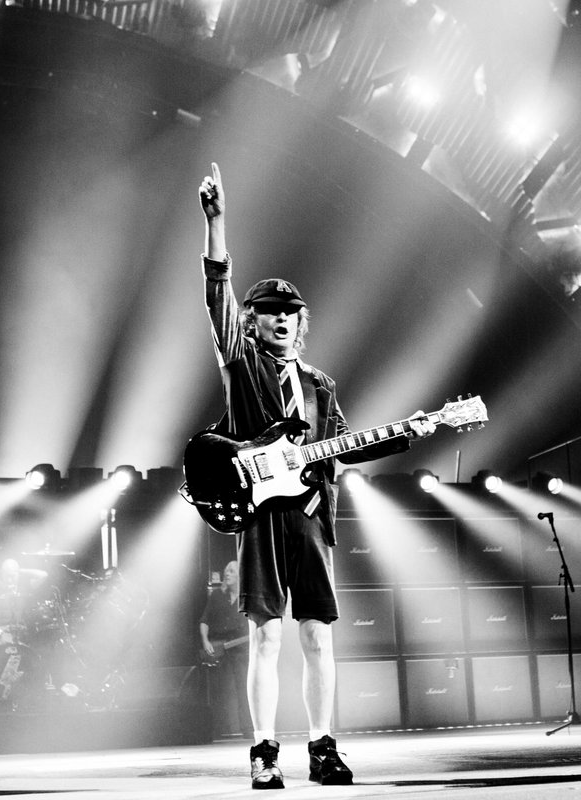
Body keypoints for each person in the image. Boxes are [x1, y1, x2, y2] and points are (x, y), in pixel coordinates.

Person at [196, 162, 435, 788]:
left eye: (290, 313)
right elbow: (218, 294)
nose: (281, 319)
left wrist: (410, 431)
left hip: (309, 517)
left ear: (301, 322)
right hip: (260, 518)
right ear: (252, 321)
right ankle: (263, 752)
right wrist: (216, 223)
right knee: (265, 639)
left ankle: (324, 748)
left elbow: (342, 448)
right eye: (269, 312)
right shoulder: (242, 366)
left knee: (318, 638)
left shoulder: (319, 385)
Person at [199, 560, 252, 739]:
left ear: (240, 575)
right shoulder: (217, 596)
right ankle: (217, 729)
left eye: (231, 571)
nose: (227, 574)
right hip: (220, 647)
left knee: (243, 688)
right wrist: (205, 641)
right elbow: (204, 620)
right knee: (219, 690)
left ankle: (248, 728)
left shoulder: (248, 597)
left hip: (241, 649)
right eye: (226, 571)